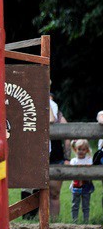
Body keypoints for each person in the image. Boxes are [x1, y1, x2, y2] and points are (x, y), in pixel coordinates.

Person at [48, 93, 70, 221]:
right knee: (36, 193)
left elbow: (68, 134)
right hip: (38, 157)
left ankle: (54, 222)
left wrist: (67, 158)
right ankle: (34, 221)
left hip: (56, 157)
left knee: (54, 193)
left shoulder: (58, 113)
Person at [68, 139, 94, 223]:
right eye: (79, 149)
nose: (81, 151)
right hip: (76, 185)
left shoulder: (89, 159)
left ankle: (86, 221)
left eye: (83, 149)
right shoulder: (73, 160)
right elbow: (73, 171)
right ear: (75, 149)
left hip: (86, 185)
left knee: (86, 205)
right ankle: (74, 221)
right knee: (75, 205)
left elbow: (89, 169)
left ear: (87, 150)